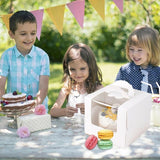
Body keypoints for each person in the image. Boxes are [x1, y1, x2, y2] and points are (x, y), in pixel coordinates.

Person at [0, 10, 50, 112]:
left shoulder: (43, 56)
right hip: (14, 110)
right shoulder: (6, 56)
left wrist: (33, 107)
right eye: (23, 34)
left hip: (37, 109)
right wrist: (4, 104)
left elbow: (43, 89)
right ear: (12, 34)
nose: (29, 38)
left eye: (33, 33)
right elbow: (1, 86)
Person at [50, 43, 103, 117]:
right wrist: (64, 111)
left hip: (89, 127)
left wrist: (91, 109)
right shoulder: (68, 86)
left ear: (90, 67)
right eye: (72, 69)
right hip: (71, 127)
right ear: (67, 68)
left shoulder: (97, 89)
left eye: (82, 69)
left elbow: (106, 112)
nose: (78, 74)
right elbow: (53, 111)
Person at [115, 25, 160, 94]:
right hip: (130, 104)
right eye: (131, 49)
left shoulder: (157, 72)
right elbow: (116, 91)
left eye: (139, 50)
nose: (135, 54)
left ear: (151, 51)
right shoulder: (125, 70)